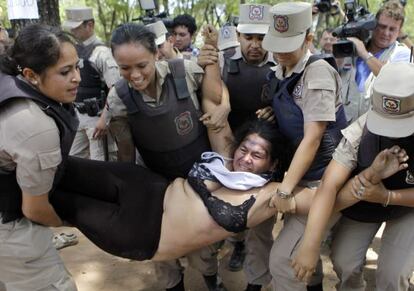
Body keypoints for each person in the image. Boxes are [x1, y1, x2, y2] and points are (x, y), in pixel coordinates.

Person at [96, 23, 228, 291]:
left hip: (198, 176)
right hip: (157, 179)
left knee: (202, 244)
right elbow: (125, 152)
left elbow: (216, 94)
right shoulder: (119, 97)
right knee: (160, 241)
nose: (134, 75)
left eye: (141, 65)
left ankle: (211, 281)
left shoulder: (186, 72)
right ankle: (172, 285)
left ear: (156, 54)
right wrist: (129, 196)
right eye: (124, 68)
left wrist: (224, 106)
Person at [292, 62, 414, 291]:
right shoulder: (361, 131)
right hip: (366, 201)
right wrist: (310, 245)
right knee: (343, 261)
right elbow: (329, 185)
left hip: (407, 206)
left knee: (392, 275)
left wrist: (387, 196)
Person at [261, 2, 347, 290]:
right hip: (305, 178)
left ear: (309, 39)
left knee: (283, 260)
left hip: (324, 181)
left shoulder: (318, 72)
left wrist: (285, 190)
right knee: (300, 256)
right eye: (277, 44)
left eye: (291, 43)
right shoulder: (282, 71)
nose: (282, 50)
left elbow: (313, 137)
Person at [0, 24, 79, 291]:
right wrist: (64, 220)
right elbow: (34, 209)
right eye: (65, 72)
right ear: (31, 75)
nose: (77, 78)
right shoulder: (35, 126)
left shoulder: (7, 82)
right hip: (10, 228)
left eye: (77, 67)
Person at [63, 7, 119, 161]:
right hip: (78, 115)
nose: (73, 31)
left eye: (77, 27)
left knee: (100, 163)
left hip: (97, 116)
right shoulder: (75, 50)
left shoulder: (102, 53)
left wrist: (104, 119)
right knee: (74, 159)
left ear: (90, 25)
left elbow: (115, 88)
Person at [344, 0, 410, 122]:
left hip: (375, 129)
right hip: (345, 128)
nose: (386, 33)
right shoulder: (352, 49)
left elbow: (388, 77)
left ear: (399, 31)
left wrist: (364, 54)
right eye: (382, 26)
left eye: (392, 29)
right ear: (373, 25)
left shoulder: (402, 53)